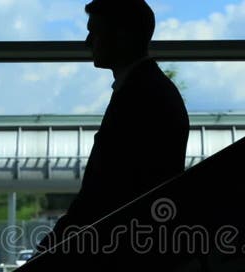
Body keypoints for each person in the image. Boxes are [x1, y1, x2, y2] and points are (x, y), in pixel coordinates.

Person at [36, 0, 189, 253]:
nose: (88, 41)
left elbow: (105, 189)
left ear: (122, 36)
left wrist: (54, 244)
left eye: (95, 32)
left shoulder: (138, 96)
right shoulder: (151, 90)